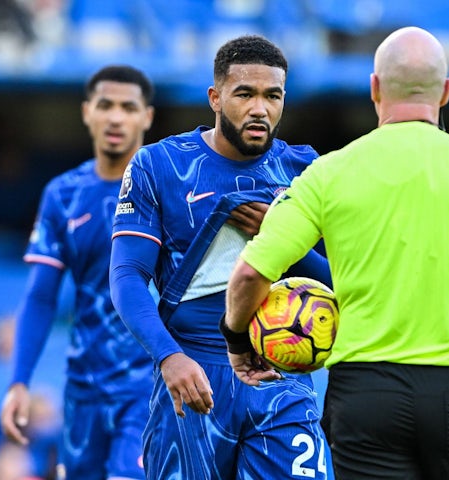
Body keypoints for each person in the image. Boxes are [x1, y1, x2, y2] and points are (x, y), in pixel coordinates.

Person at [222, 26, 449, 480]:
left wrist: (239, 340)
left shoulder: (328, 175)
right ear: (446, 92)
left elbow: (249, 275)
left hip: (364, 397)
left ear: (375, 88)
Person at [109, 34, 332, 479]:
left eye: (273, 96)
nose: (260, 109)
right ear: (215, 97)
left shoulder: (308, 172)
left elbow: (340, 280)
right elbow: (127, 274)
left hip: (280, 375)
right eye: (244, 94)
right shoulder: (160, 164)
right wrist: (168, 357)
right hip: (192, 374)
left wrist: (282, 238)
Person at [0, 65, 155, 480]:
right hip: (83, 387)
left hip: (150, 384)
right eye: (105, 105)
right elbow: (40, 296)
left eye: (128, 107)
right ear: (87, 112)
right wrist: (18, 381)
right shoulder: (63, 194)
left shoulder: (167, 188)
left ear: (147, 117)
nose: (116, 117)